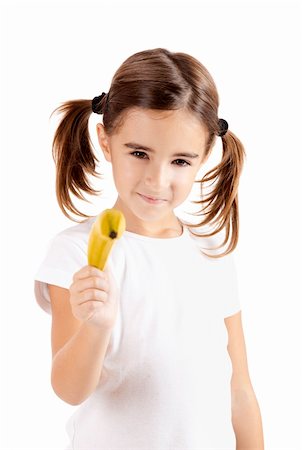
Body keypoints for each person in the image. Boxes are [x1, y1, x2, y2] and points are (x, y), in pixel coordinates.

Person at [34, 47, 264, 450]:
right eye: (139, 153)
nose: (157, 180)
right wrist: (97, 324)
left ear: (205, 155)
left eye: (180, 161)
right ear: (106, 140)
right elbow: (69, 389)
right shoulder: (75, 252)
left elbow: (239, 390)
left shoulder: (213, 253)